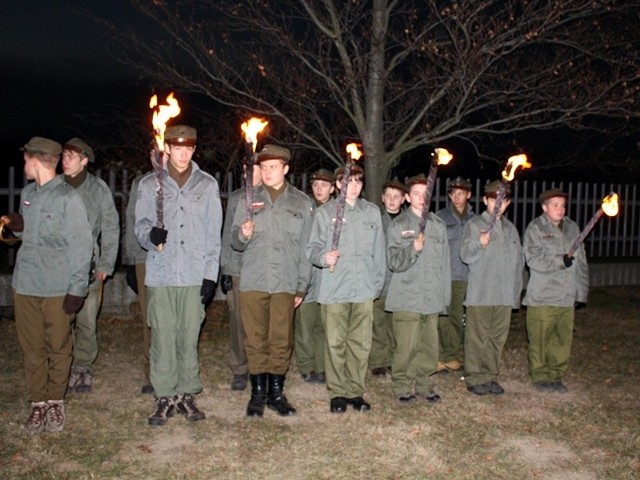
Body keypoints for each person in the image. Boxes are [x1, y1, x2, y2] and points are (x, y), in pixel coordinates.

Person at [1, 137, 93, 434]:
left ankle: (55, 401)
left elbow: (83, 247)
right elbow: (35, 233)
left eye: (25, 159)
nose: (23, 164)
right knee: (32, 348)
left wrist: (77, 290)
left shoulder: (68, 199)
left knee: (58, 347)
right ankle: (38, 403)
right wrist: (19, 224)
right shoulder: (28, 193)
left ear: (36, 160)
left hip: (56, 288)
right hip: (26, 284)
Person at [135, 125, 222, 426]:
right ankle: (164, 395)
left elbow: (214, 234)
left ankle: (186, 392)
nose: (184, 153)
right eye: (177, 147)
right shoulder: (150, 185)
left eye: (189, 148)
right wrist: (150, 234)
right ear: (167, 148)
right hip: (161, 273)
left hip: (193, 274)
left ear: (194, 149)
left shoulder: (207, 185)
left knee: (188, 334)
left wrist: (210, 276)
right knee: (162, 334)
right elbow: (140, 227)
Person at [231, 144, 312, 417]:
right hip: (254, 279)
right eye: (263, 167)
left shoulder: (301, 203)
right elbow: (234, 242)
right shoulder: (247, 199)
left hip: (285, 283)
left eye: (273, 167)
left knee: (280, 339)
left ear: (286, 169)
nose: (267, 172)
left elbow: (306, 249)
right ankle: (257, 394)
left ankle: (276, 392)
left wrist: (302, 285)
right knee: (255, 340)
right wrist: (242, 233)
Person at [306, 164, 386, 414]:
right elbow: (312, 249)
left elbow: (379, 253)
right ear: (339, 184)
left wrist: (376, 285)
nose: (354, 186)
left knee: (360, 343)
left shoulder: (372, 213)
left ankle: (355, 390)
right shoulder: (325, 214)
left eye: (358, 182)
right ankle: (338, 392)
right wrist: (324, 257)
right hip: (335, 288)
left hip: (363, 288)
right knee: (335, 342)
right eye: (349, 182)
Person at [61, 138, 120, 394]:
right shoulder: (55, 187)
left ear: (84, 160)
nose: (65, 160)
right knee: (61, 320)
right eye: (64, 155)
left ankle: (83, 367)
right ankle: (63, 365)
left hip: (89, 265)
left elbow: (110, 226)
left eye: (71, 156)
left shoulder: (98, 189)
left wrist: (106, 262)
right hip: (58, 265)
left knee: (86, 320)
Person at [386, 175, 451, 404]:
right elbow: (393, 261)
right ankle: (402, 385)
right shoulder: (399, 226)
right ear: (406, 197)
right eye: (416, 193)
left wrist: (444, 296)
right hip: (407, 296)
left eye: (426, 193)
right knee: (406, 346)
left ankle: (424, 383)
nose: (421, 198)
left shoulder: (438, 225)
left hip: (431, 296)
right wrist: (412, 249)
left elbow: (445, 265)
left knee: (429, 346)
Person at [460, 180, 524, 396]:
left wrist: (515, 295)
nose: (499, 204)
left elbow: (518, 265)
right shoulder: (475, 225)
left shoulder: (511, 229)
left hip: (504, 295)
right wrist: (480, 242)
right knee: (478, 337)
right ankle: (475, 376)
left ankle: (490, 375)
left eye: (503, 200)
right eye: (493, 199)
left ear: (508, 203)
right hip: (481, 294)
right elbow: (466, 255)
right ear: (485, 200)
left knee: (497, 338)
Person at [523, 189, 588, 393]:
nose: (560, 209)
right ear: (545, 207)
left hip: (566, 295)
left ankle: (555, 374)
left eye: (563, 205)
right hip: (543, 295)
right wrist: (560, 261)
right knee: (540, 338)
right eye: (555, 205)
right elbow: (532, 259)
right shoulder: (536, 228)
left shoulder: (573, 228)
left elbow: (581, 262)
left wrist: (581, 292)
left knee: (562, 339)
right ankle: (540, 375)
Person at [123, 149, 168, 396]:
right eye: (154, 152)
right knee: (149, 318)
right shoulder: (142, 183)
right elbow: (132, 219)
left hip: (174, 260)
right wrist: (131, 260)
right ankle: (151, 370)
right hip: (145, 257)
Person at [219, 161, 262, 391]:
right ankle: (239, 368)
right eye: (245, 170)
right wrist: (225, 268)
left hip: (261, 269)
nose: (248, 174)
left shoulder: (269, 196)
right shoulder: (236, 198)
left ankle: (259, 367)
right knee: (237, 321)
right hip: (238, 268)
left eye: (252, 170)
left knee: (259, 322)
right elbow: (227, 234)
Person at [293, 168, 335, 384]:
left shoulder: (336, 212)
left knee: (322, 324)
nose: (319, 189)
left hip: (327, 276)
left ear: (333, 188)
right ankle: (306, 365)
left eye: (324, 185)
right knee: (305, 325)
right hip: (307, 272)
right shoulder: (305, 208)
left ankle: (321, 365)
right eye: (316, 185)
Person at [435, 176, 475, 373]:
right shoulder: (440, 218)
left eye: (461, 193)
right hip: (444, 275)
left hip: (464, 276)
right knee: (442, 316)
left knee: (458, 317)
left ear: (469, 195)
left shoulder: (475, 220)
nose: (457, 197)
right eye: (454, 193)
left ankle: (451, 355)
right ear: (449, 196)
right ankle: (439, 355)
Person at [369, 179, 405, 378]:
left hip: (399, 283)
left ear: (403, 199)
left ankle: (393, 359)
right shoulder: (375, 221)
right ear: (383, 198)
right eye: (388, 196)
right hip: (379, 281)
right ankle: (378, 361)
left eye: (396, 197)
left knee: (395, 324)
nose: (392, 201)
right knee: (378, 323)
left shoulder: (407, 222)